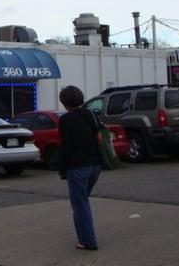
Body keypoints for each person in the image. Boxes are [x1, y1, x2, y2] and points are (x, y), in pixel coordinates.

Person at [58, 85, 102, 251]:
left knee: (80, 203)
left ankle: (87, 241)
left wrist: (62, 168)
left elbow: (66, 147)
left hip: (77, 166)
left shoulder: (66, 120)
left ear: (64, 102)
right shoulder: (90, 114)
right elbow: (98, 138)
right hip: (95, 164)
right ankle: (85, 237)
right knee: (82, 201)